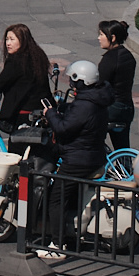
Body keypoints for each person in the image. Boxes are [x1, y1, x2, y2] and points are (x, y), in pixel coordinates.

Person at [32, 60, 111, 262]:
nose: (71, 84)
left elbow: (64, 128)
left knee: (56, 198)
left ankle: (57, 245)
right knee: (71, 195)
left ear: (80, 81)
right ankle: (71, 232)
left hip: (78, 160)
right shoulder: (97, 99)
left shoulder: (84, 104)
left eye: (73, 80)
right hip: (94, 156)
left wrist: (50, 113)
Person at [0, 24, 51, 130]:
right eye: (7, 39)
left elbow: (0, 82)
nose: (8, 43)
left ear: (23, 40)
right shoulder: (38, 55)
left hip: (23, 113)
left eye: (12, 39)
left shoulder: (16, 61)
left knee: (16, 143)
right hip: (42, 109)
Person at [96, 20, 135, 153]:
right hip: (126, 106)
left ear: (112, 38)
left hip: (112, 108)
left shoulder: (109, 59)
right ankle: (125, 170)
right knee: (122, 147)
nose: (99, 38)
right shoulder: (127, 55)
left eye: (102, 35)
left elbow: (100, 84)